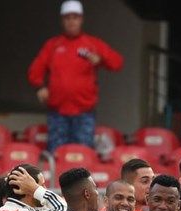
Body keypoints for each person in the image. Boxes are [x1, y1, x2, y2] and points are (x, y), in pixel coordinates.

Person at [28, 1, 123, 152]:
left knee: (83, 157)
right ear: (62, 21)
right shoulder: (53, 45)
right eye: (67, 18)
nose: (71, 21)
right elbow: (34, 71)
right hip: (57, 113)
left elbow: (117, 63)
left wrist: (101, 59)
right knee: (57, 156)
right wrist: (40, 87)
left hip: (84, 113)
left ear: (81, 19)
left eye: (75, 17)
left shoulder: (92, 44)